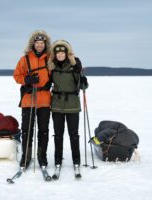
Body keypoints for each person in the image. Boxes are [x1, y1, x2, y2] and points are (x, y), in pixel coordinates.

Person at [13, 30, 52, 169]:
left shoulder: (50, 59)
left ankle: (42, 157)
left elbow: (57, 73)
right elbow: (16, 75)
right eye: (37, 43)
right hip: (28, 99)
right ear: (33, 44)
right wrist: (27, 80)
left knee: (44, 130)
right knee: (27, 130)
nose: (40, 45)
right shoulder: (25, 59)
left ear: (45, 44)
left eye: (42, 43)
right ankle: (26, 157)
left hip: (45, 100)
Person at [48, 40, 88, 171]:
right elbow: (46, 83)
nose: (60, 55)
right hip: (56, 105)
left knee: (73, 134)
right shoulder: (52, 67)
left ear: (66, 53)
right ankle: (57, 160)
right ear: (55, 54)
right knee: (58, 135)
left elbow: (84, 86)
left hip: (72, 105)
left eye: (62, 52)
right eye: (58, 53)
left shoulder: (74, 65)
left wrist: (83, 80)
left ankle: (76, 160)